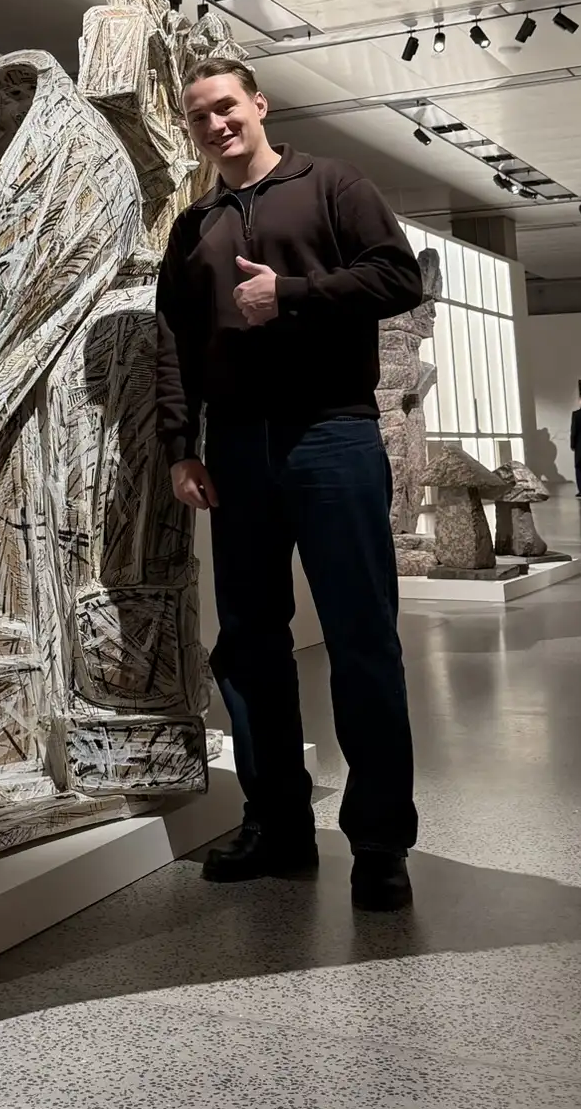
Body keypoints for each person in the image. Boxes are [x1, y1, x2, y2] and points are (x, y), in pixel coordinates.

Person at [155, 52, 424, 911]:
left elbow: (399, 277)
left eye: (225, 106)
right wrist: (181, 447)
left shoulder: (333, 184)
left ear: (259, 105)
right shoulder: (193, 226)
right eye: (199, 116)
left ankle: (379, 842)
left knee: (361, 637)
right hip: (237, 449)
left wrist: (295, 293)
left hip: (333, 436)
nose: (215, 124)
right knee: (249, 642)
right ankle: (276, 825)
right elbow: (176, 344)